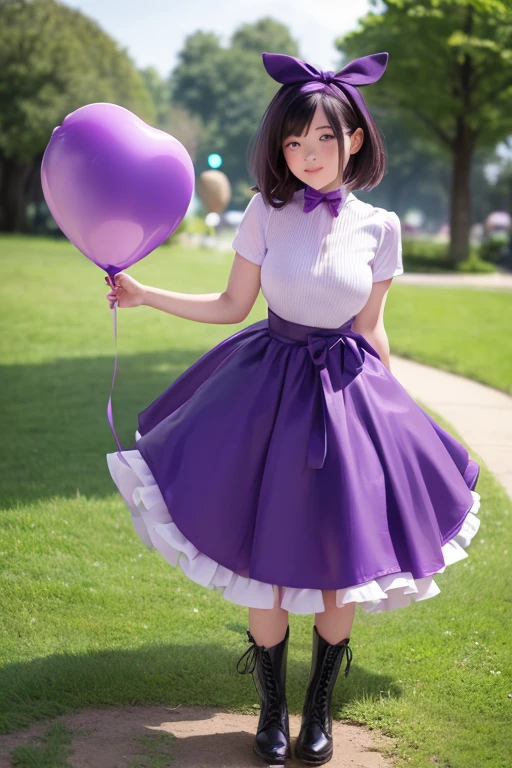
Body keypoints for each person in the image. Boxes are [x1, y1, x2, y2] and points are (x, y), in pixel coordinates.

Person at [105, 50, 481, 767]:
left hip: (345, 396)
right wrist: (145, 293)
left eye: (323, 139)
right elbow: (232, 305)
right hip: (266, 393)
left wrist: (391, 418)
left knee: (341, 559)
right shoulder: (263, 210)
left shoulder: (381, 227)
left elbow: (372, 329)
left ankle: (322, 716)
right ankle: (273, 709)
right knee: (265, 555)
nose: (308, 154)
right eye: (293, 141)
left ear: (356, 140)